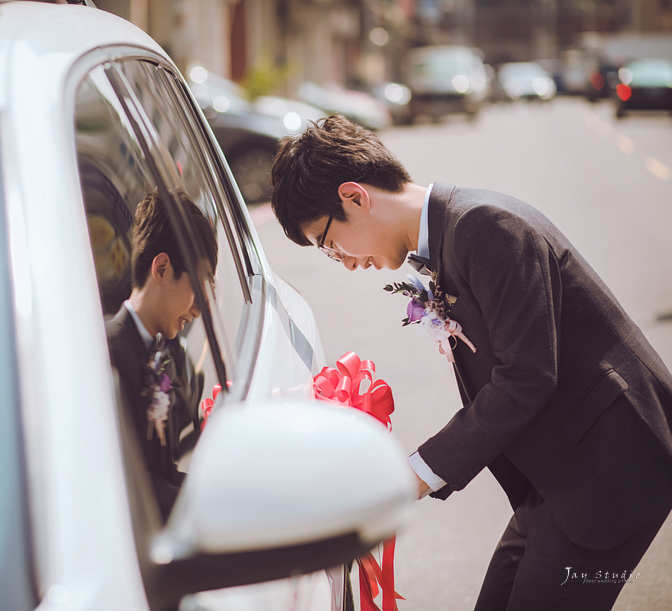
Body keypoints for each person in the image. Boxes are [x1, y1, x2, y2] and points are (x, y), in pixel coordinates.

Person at [269, 115, 672, 610]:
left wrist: (412, 475)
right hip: (553, 477)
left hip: (608, 469)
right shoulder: (446, 235)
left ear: (354, 196)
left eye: (332, 247)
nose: (348, 264)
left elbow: (525, 377)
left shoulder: (484, 226)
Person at [106, 188, 218, 522]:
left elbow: (163, 474)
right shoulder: (109, 357)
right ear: (162, 268)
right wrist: (213, 506)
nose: (199, 311)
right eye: (199, 290)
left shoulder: (161, 354)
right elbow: (130, 489)